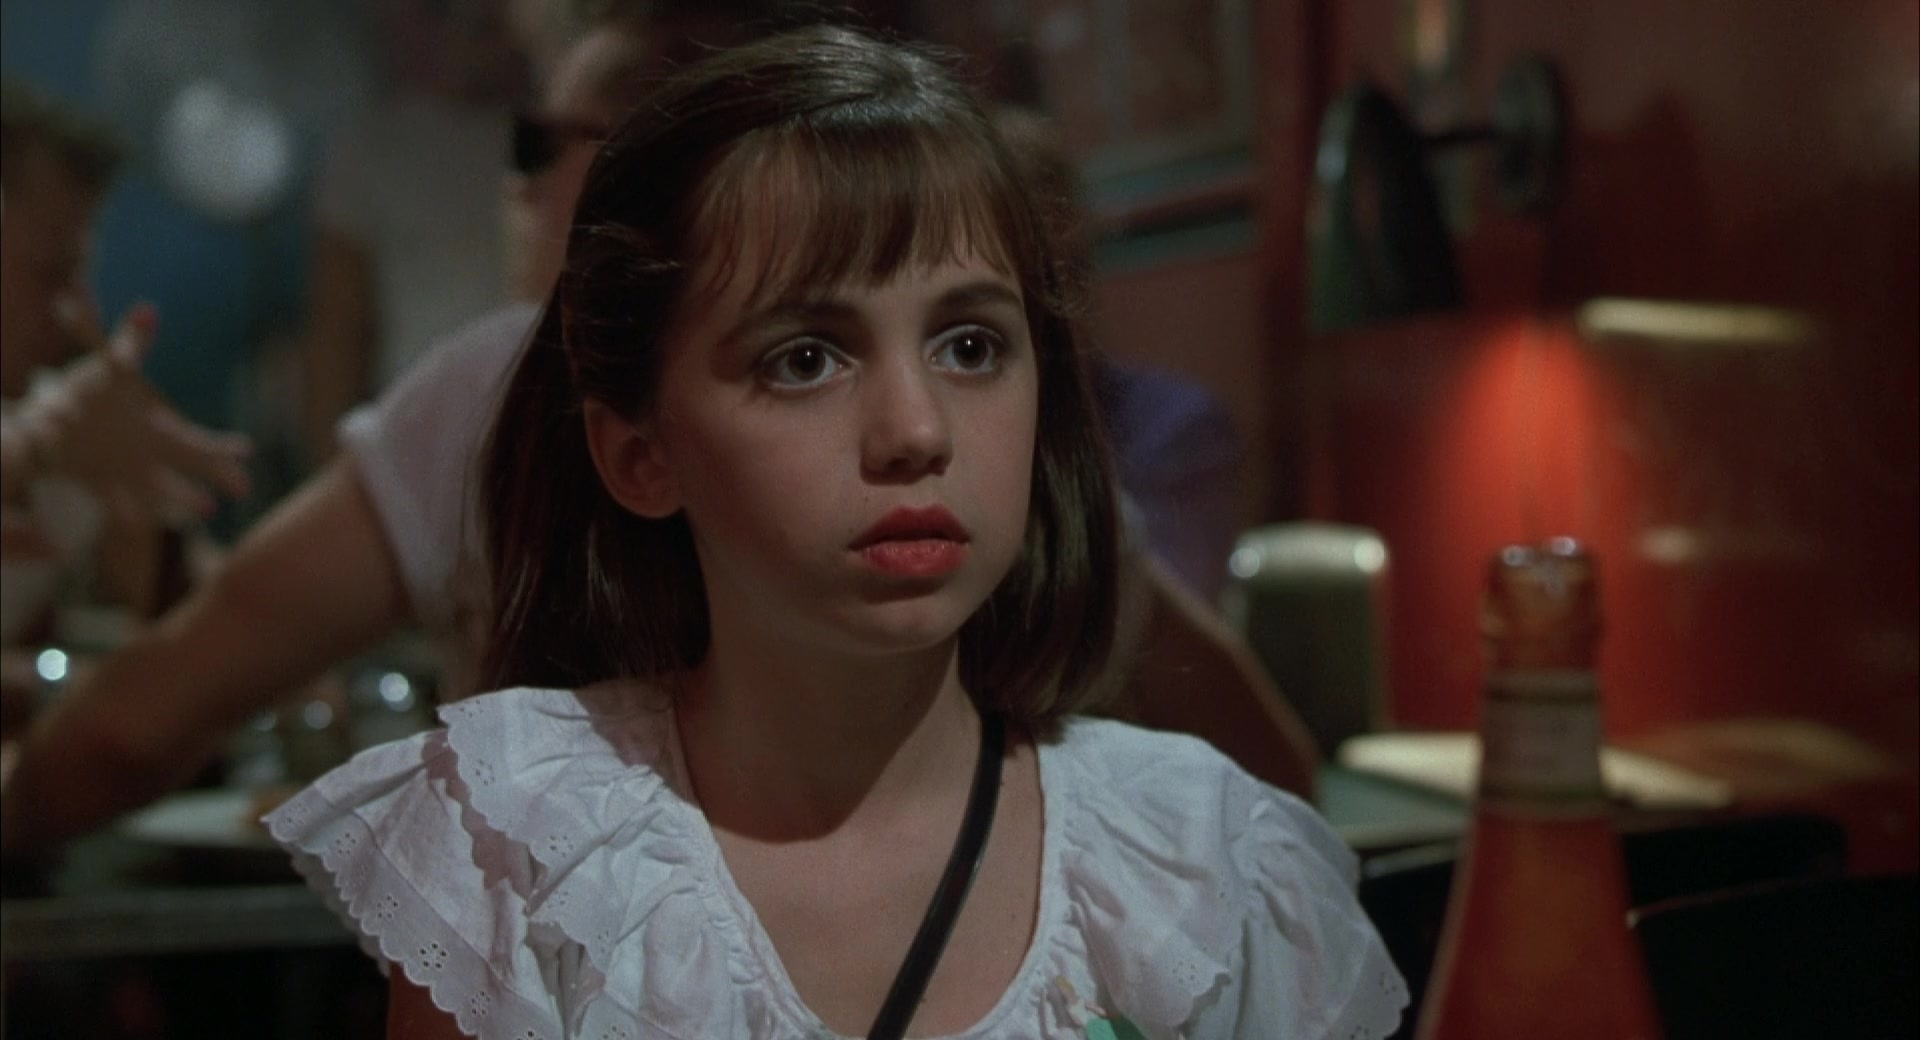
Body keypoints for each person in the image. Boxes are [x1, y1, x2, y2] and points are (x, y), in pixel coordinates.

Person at [266, 27, 1406, 1039]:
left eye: (970, 346)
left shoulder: (1200, 865)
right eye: (805, 359)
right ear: (641, 455)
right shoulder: (528, 850)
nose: (915, 432)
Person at [0, 10, 1315, 859]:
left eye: (546, 141)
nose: (516, 182)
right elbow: (1269, 758)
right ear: (635, 455)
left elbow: (138, 724)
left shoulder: (493, 383)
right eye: (806, 359)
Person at [0, 79, 252, 642]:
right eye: (49, 274)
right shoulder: (55, 427)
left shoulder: (67, 420)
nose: (76, 312)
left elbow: (213, 621)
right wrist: (39, 443)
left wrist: (157, 526)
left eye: (80, 275)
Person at [298, 0, 528, 461]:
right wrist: (333, 473)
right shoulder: (375, 144)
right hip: (415, 442)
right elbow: (338, 334)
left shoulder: (564, 131)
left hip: (536, 436)